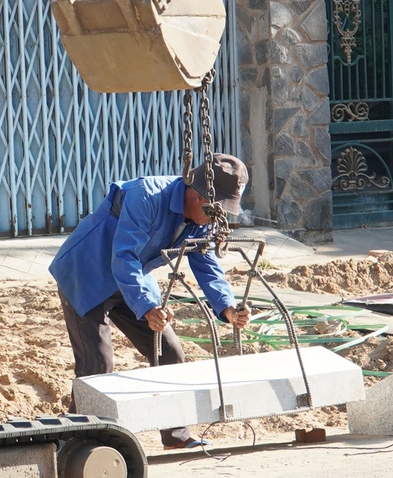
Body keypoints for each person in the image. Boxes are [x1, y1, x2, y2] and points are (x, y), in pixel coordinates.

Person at [48, 154, 253, 450]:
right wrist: (146, 306)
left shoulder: (202, 218)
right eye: (216, 211)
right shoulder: (146, 196)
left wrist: (227, 307)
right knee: (97, 365)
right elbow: (124, 256)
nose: (216, 221)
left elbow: (205, 260)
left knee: (169, 352)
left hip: (132, 279)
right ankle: (73, 444)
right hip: (87, 272)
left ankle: (176, 435)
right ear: (198, 196)